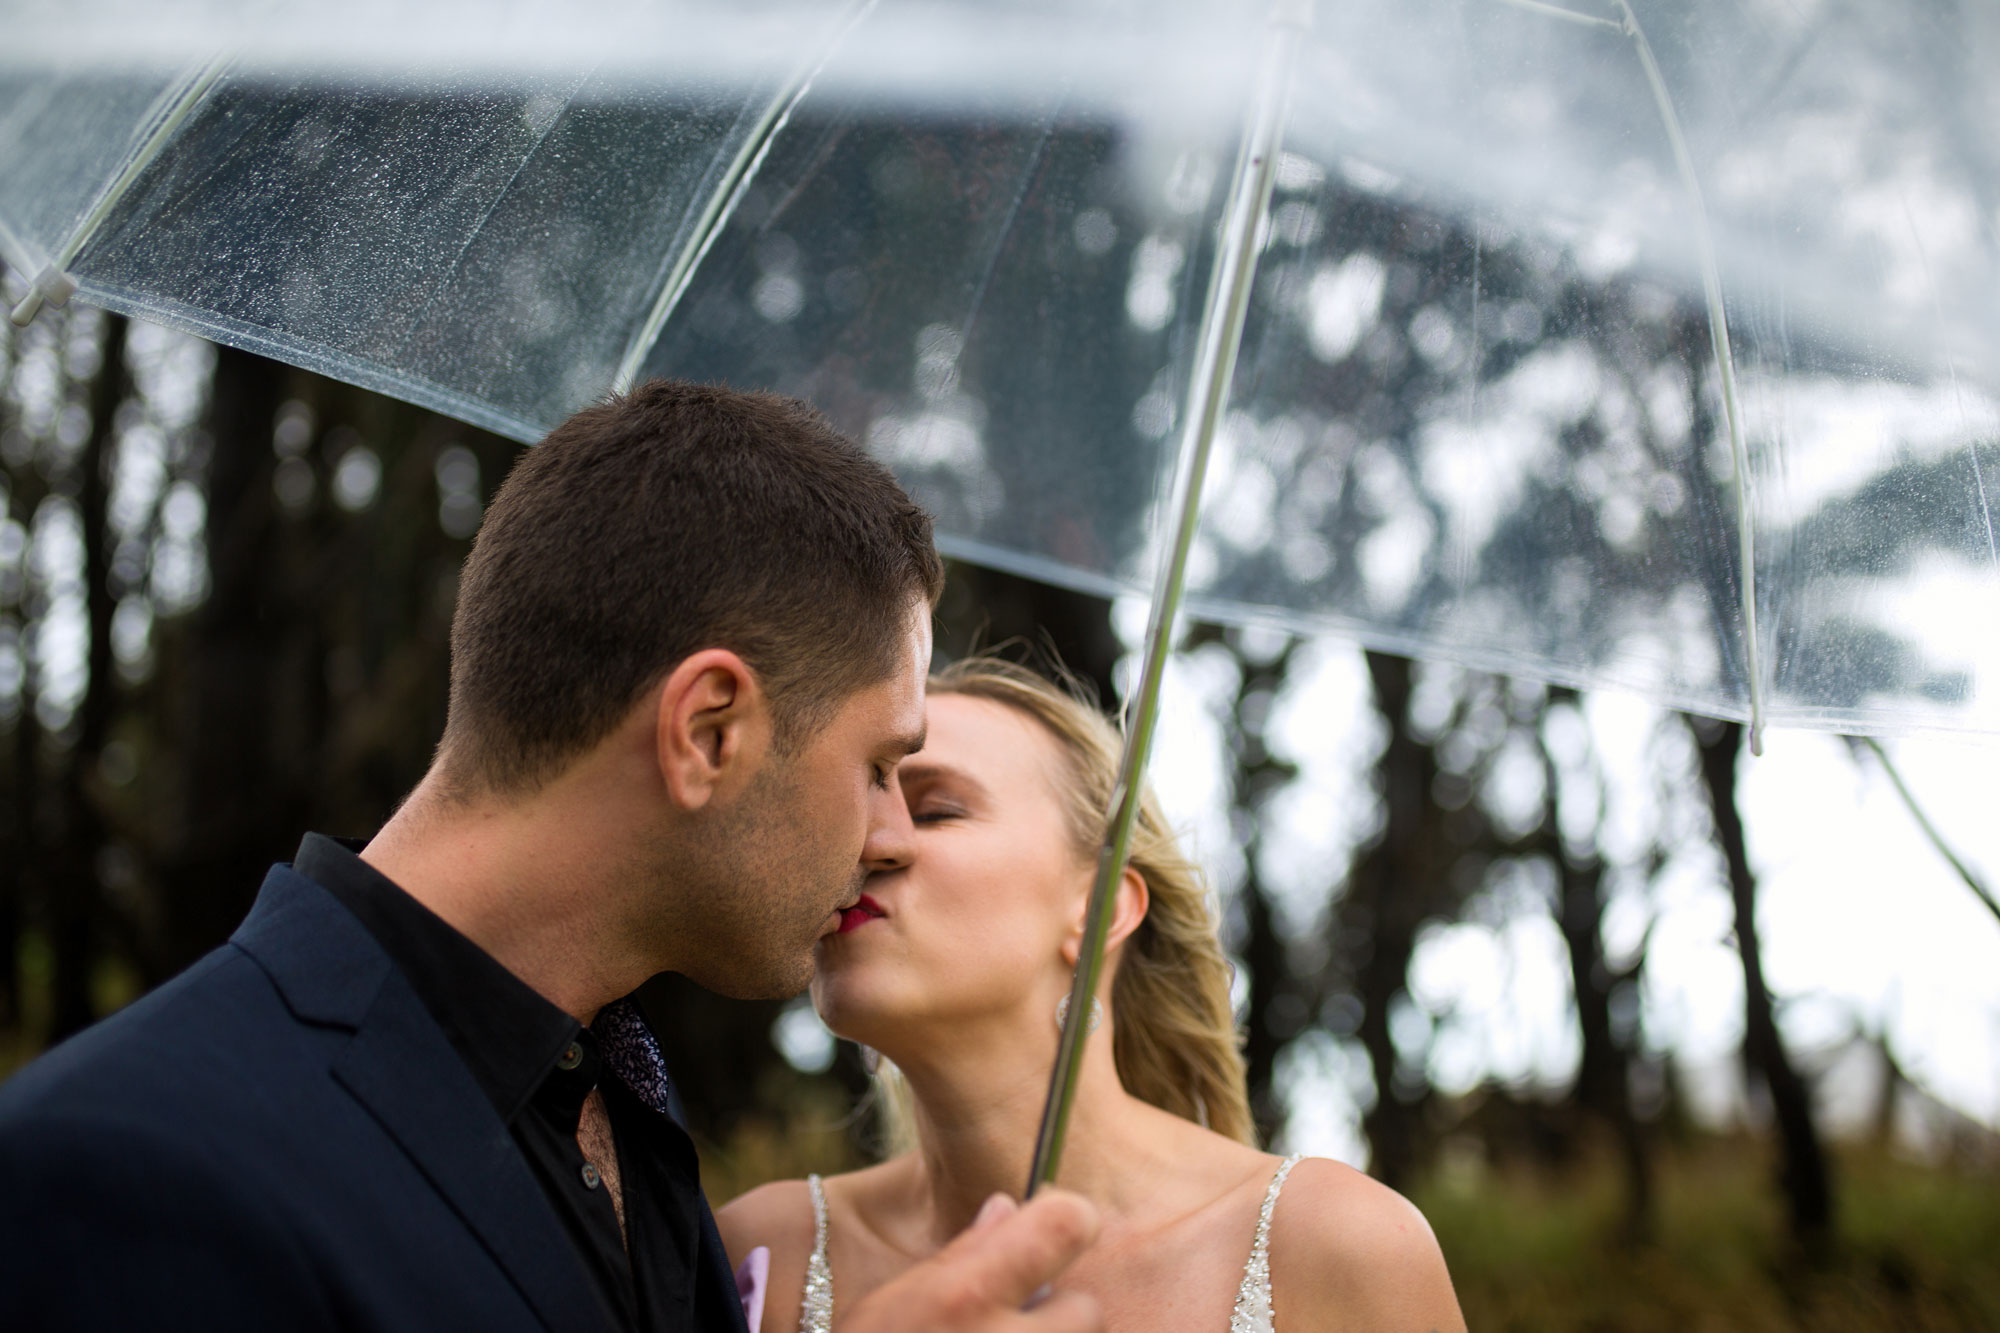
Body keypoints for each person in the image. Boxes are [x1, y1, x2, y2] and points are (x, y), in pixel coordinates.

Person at [0, 381, 1101, 1333]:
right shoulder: (129, 1163)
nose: (889, 836)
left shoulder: (623, 1118)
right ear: (708, 731)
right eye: (876, 765)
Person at [717, 659, 1466, 1333]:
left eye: (938, 805)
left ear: (1101, 908)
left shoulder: (1338, 1246)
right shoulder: (761, 1253)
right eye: (856, 802)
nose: (869, 843)